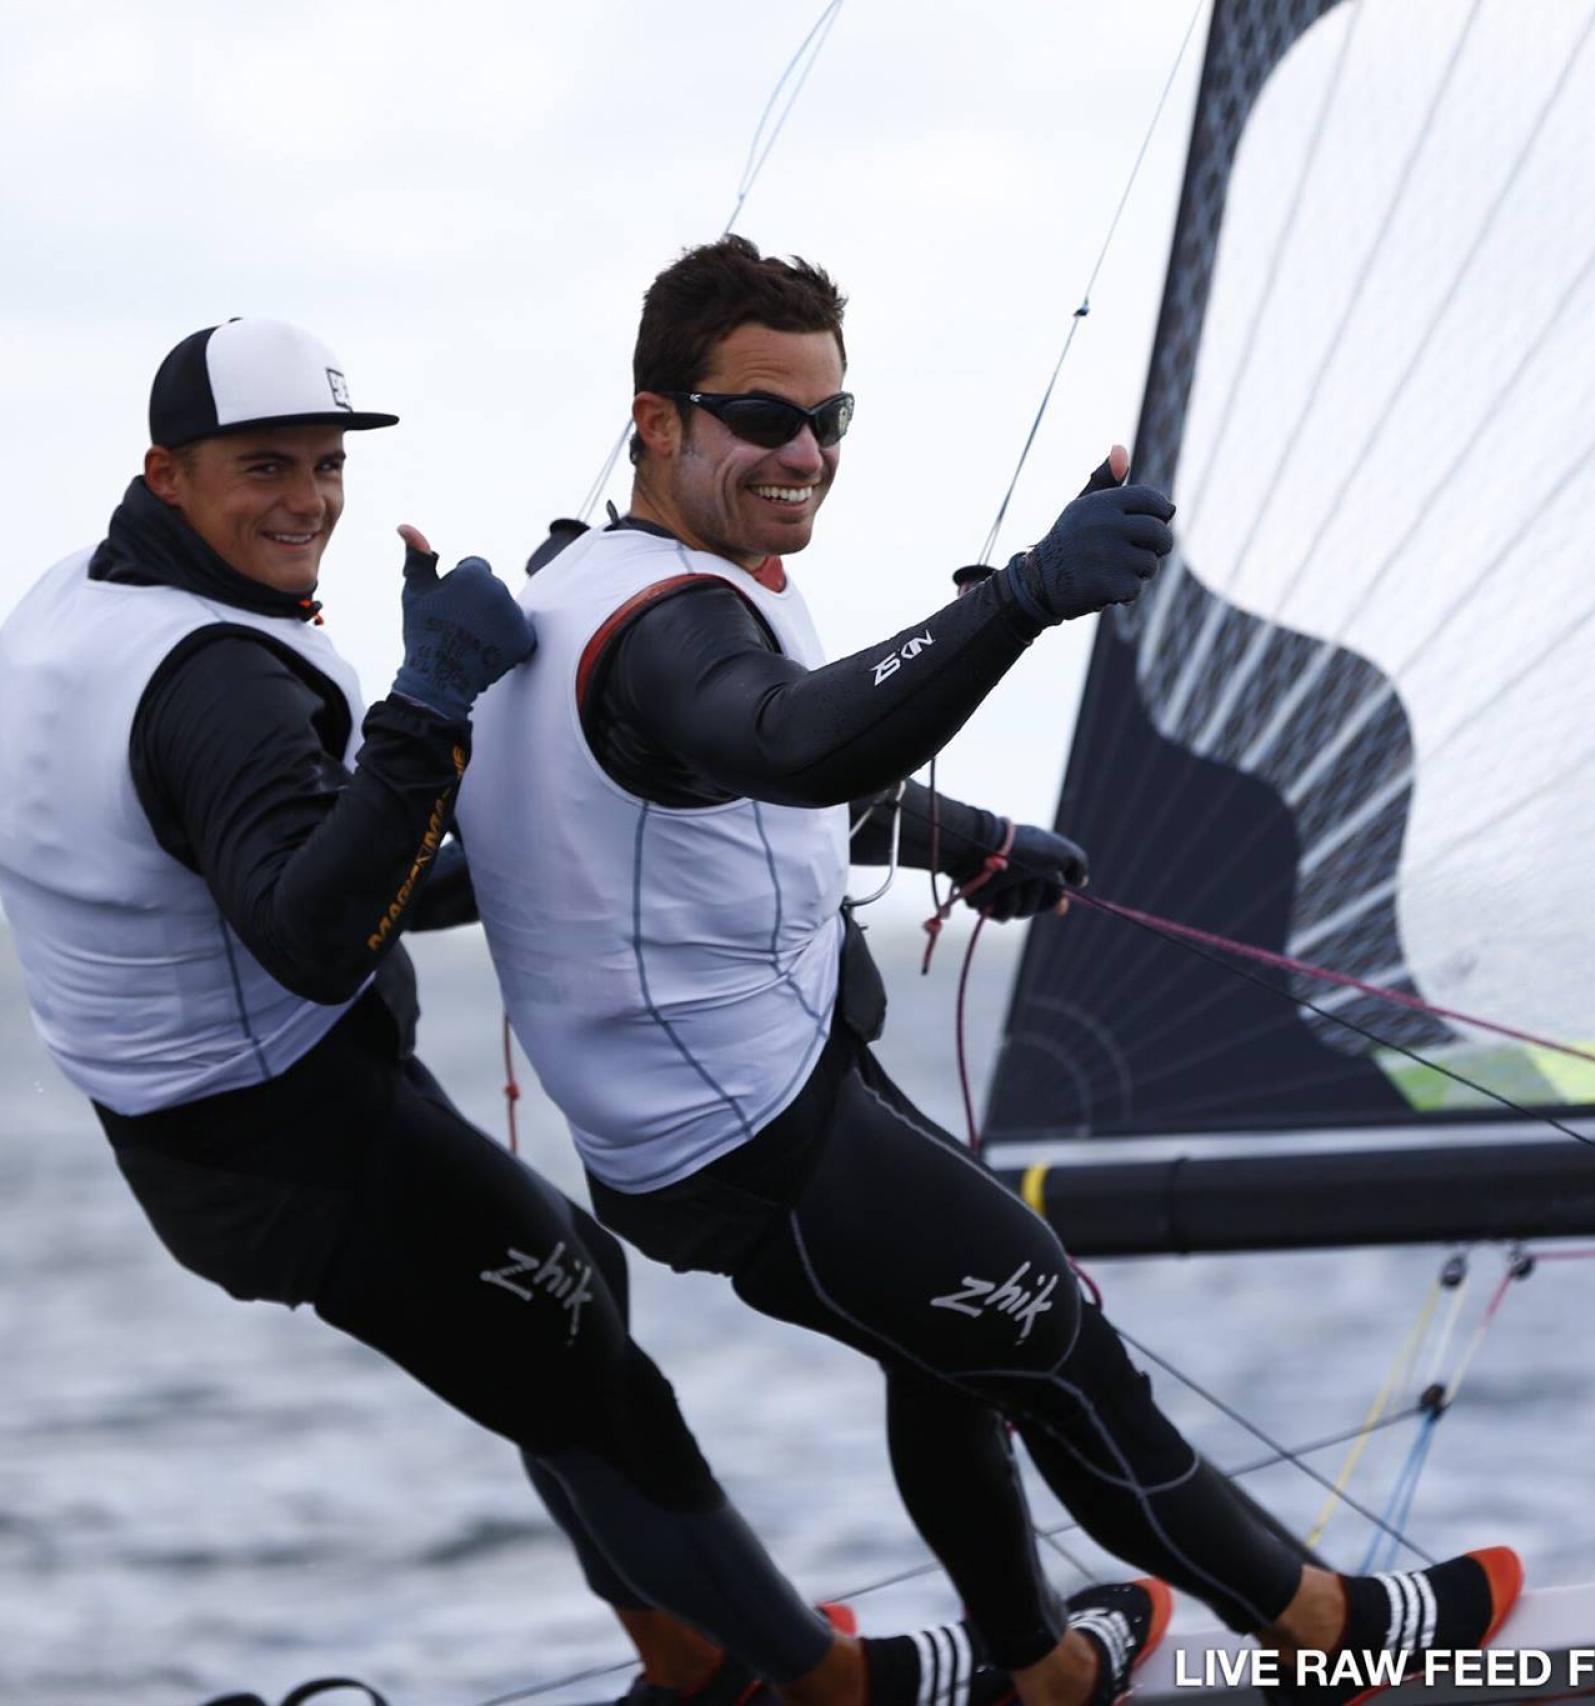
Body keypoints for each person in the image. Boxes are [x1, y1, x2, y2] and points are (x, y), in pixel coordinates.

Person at [456, 238, 1525, 1706]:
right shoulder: (669, 625)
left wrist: (956, 831)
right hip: (758, 1144)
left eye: (832, 418)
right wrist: (1022, 593)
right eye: (765, 415)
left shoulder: (590, 579)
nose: (805, 451)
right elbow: (787, 737)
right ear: (658, 420)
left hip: (741, 1112)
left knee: (952, 1357)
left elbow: (727, 777)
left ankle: (1032, 1667)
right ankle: (1325, 1628)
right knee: (1064, 1351)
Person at [0, 316, 1008, 1706]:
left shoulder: (81, 601)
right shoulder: (217, 684)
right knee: (598, 1381)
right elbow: (317, 934)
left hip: (210, 1130)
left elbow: (351, 866)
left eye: (323, 463)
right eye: (261, 468)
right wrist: (428, 699)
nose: (305, 500)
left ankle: (690, 1663)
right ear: (167, 474)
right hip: (299, 1142)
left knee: (570, 1291)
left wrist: (548, 819)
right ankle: (820, 1684)